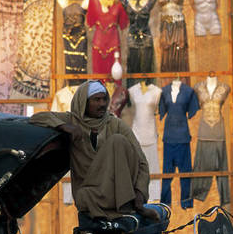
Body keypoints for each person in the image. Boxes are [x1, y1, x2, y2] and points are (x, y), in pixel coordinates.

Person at [30, 80, 158, 221]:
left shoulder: (115, 124)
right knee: (116, 142)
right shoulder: (72, 120)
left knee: (118, 141)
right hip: (89, 194)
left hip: (117, 194)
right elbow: (38, 118)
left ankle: (127, 205)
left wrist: (140, 195)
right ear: (84, 102)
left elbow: (141, 161)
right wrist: (65, 127)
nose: (102, 104)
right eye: (96, 100)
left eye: (104, 99)